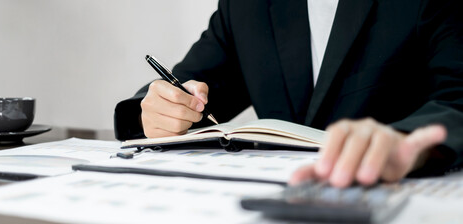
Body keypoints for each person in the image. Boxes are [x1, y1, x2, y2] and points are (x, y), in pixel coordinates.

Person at [114, 0, 463, 188]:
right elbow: (185, 86)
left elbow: (457, 98)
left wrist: (406, 142)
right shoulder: (245, 7)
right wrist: (155, 111)